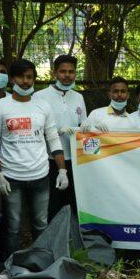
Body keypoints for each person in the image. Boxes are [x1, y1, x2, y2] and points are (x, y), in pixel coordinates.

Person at [0, 59, 68, 259]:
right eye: (21, 77)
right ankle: (11, 269)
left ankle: (40, 264)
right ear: (12, 78)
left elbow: (52, 138)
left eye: (29, 77)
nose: (25, 82)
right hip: (11, 177)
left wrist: (62, 170)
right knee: (13, 227)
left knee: (41, 224)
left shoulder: (43, 106)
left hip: (40, 174)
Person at [33, 54, 87, 220]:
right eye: (63, 71)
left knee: (74, 202)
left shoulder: (78, 97)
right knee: (52, 204)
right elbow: (35, 129)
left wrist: (85, 127)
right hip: (50, 159)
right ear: (54, 73)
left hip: (76, 160)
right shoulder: (40, 96)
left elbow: (83, 124)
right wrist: (57, 131)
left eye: (71, 71)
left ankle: (72, 240)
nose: (67, 75)